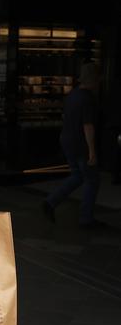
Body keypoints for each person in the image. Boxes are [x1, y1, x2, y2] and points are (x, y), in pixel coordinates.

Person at [43, 62, 101, 228]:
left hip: (67, 140)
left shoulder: (73, 95)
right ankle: (86, 218)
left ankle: (50, 202)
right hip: (81, 144)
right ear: (95, 79)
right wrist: (92, 151)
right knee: (92, 181)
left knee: (77, 176)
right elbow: (88, 125)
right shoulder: (88, 98)